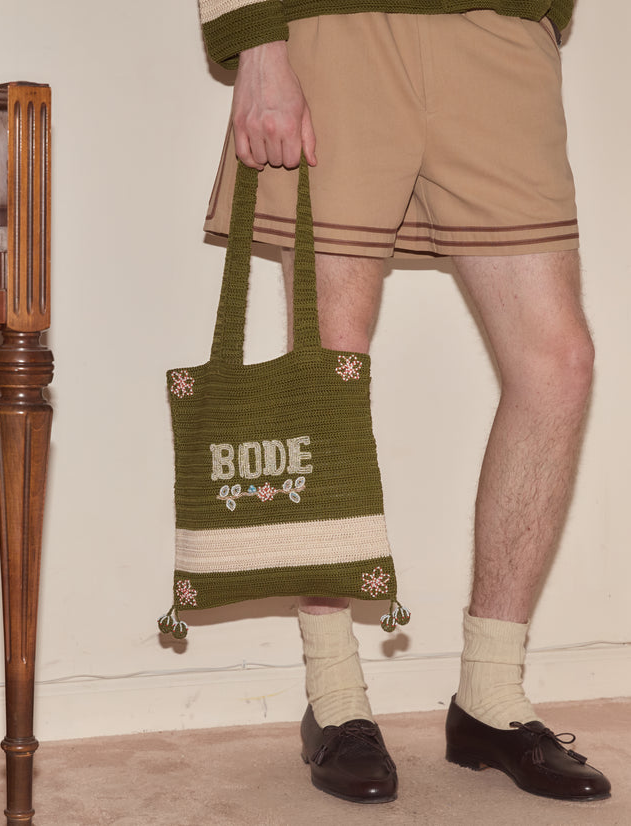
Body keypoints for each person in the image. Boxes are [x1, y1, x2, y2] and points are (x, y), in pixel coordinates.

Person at [198, 0, 612, 805]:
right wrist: (255, 38)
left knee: (560, 363)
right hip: (336, 25)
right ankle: (337, 700)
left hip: (501, 30)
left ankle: (490, 699)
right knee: (330, 367)